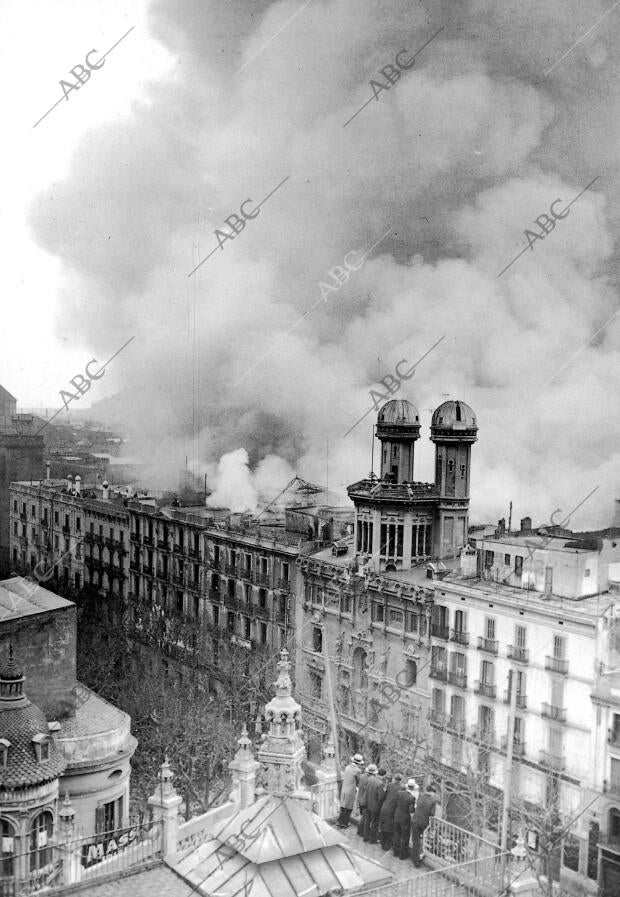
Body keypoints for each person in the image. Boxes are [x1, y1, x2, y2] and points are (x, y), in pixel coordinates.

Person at [411, 784, 437, 867]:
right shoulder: (433, 801)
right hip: (423, 823)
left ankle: (415, 858)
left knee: (415, 841)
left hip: (415, 820)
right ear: (432, 792)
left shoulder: (421, 795)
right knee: (420, 840)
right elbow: (432, 814)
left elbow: (417, 804)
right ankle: (417, 860)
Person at [392, 778, 417, 860]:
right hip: (405, 818)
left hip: (397, 815)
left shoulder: (399, 793)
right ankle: (403, 854)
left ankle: (395, 851)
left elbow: (395, 803)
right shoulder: (411, 798)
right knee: (405, 836)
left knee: (396, 834)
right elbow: (411, 810)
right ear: (413, 788)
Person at [337, 754, 363, 828]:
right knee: (348, 808)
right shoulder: (358, 770)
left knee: (342, 806)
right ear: (359, 763)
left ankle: (339, 821)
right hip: (350, 790)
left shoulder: (347, 767)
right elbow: (358, 781)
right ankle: (345, 823)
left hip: (344, 788)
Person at [379, 772, 402, 850]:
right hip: (393, 809)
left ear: (394, 779)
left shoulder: (389, 785)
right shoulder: (401, 788)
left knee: (383, 824)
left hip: (385, 807)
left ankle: (382, 842)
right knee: (390, 827)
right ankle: (387, 845)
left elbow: (383, 795)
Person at [364, 766, 387, 843]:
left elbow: (367, 791)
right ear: (383, 775)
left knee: (367, 821)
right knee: (374, 823)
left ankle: (365, 837)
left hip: (368, 804)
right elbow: (380, 797)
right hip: (375, 806)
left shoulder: (371, 779)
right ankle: (372, 839)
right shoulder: (380, 784)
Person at [357, 764, 376, 836]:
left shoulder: (362, 776)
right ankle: (362, 832)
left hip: (360, 799)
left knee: (362, 816)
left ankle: (360, 831)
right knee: (365, 818)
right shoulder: (370, 780)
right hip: (366, 801)